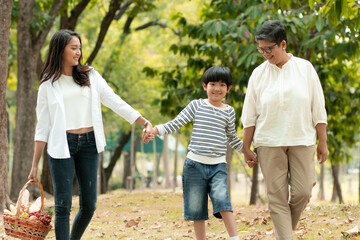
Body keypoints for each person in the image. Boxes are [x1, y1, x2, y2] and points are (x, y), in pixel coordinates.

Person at [27, 29, 153, 240]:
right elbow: (42, 127)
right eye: (73, 48)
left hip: (89, 143)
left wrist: (143, 120)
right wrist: (34, 164)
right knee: (62, 206)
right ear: (60, 50)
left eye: (79, 48)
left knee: (89, 206)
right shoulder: (47, 85)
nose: (78, 52)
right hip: (62, 145)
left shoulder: (90, 76)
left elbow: (115, 101)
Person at [144, 66, 255, 240]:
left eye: (222, 85)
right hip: (194, 166)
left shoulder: (229, 112)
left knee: (222, 199)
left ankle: (235, 237)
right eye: (212, 84)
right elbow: (175, 123)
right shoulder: (196, 105)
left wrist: (247, 152)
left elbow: (232, 138)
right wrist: (154, 130)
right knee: (197, 210)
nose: (216, 88)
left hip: (218, 165)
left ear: (229, 88)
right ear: (204, 86)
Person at [241, 20, 328, 240]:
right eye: (261, 49)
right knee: (277, 198)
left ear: (283, 44)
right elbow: (249, 115)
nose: (264, 53)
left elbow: (318, 107)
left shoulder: (305, 68)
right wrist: (246, 147)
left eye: (269, 48)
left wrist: (322, 141)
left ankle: (282, 234)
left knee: (303, 191)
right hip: (268, 142)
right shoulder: (258, 74)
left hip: (301, 139)